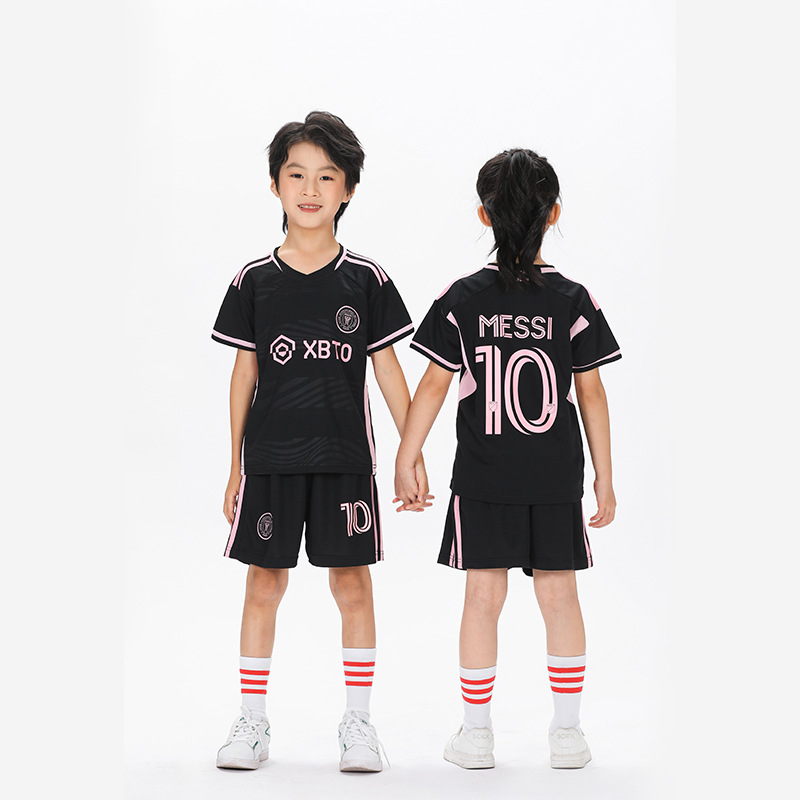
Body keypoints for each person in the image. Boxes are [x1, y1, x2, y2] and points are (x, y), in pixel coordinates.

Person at [212, 111, 429, 773]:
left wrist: (410, 452)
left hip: (345, 461)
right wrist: (233, 467)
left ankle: (358, 724)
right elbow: (244, 373)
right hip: (271, 461)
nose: (310, 189)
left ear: (348, 190)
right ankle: (252, 722)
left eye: (326, 177)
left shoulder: (367, 280)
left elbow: (388, 369)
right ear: (275, 185)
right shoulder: (254, 280)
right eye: (297, 174)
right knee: (263, 585)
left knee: (352, 586)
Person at [394, 148, 621, 770]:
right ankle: (568, 735)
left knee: (481, 599)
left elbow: (433, 384)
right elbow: (592, 392)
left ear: (484, 215)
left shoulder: (463, 298)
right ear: (553, 214)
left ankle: (476, 736)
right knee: (560, 597)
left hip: (484, 478)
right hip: (554, 477)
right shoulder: (573, 299)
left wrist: (407, 455)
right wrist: (604, 477)